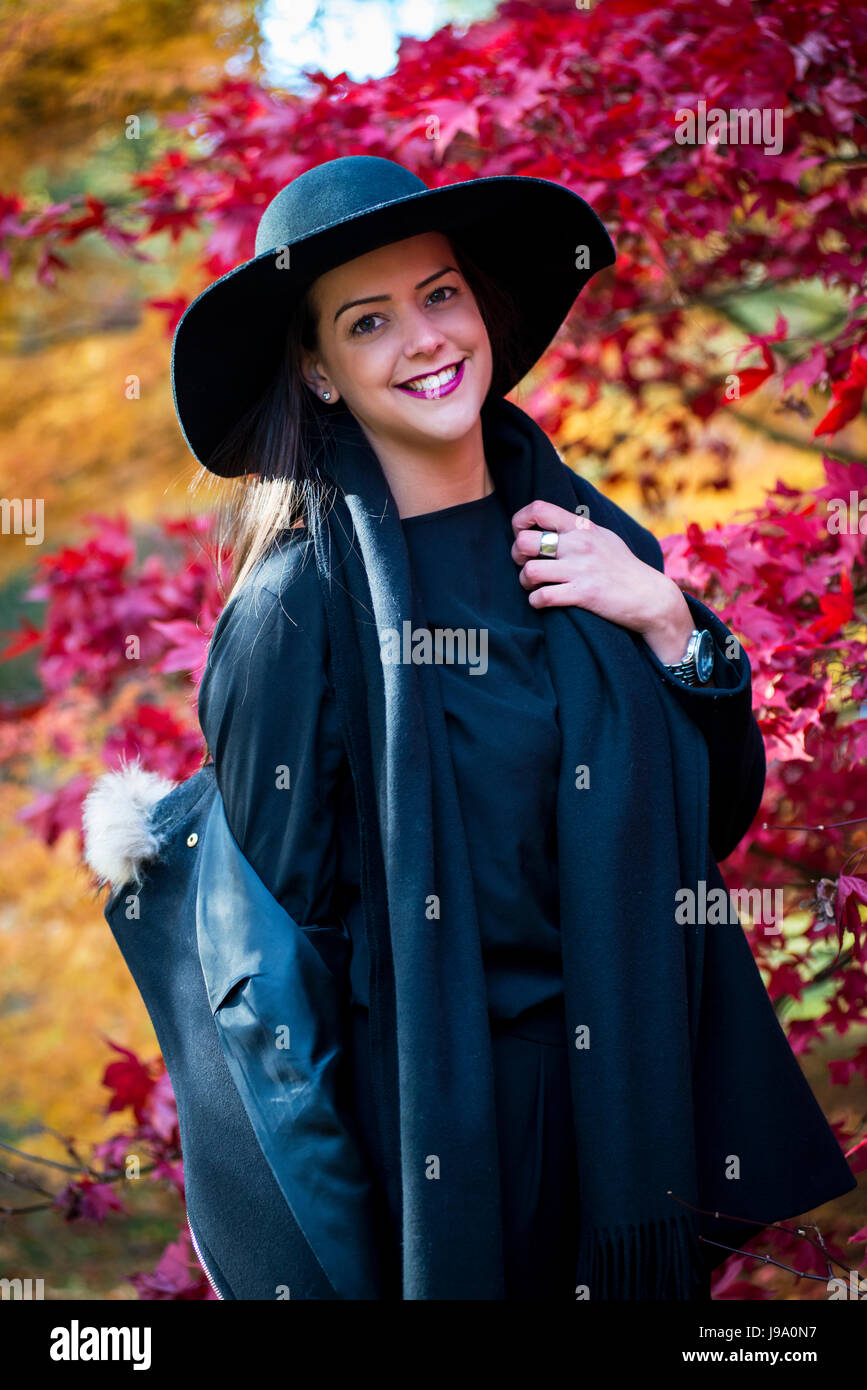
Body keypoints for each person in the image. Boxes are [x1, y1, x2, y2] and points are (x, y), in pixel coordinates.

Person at [172, 156, 856, 1300]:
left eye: (441, 294)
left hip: (634, 1105)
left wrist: (672, 620)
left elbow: (714, 816)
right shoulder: (295, 613)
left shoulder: (583, 535)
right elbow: (286, 973)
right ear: (321, 371)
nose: (425, 338)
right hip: (444, 1148)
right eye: (369, 320)